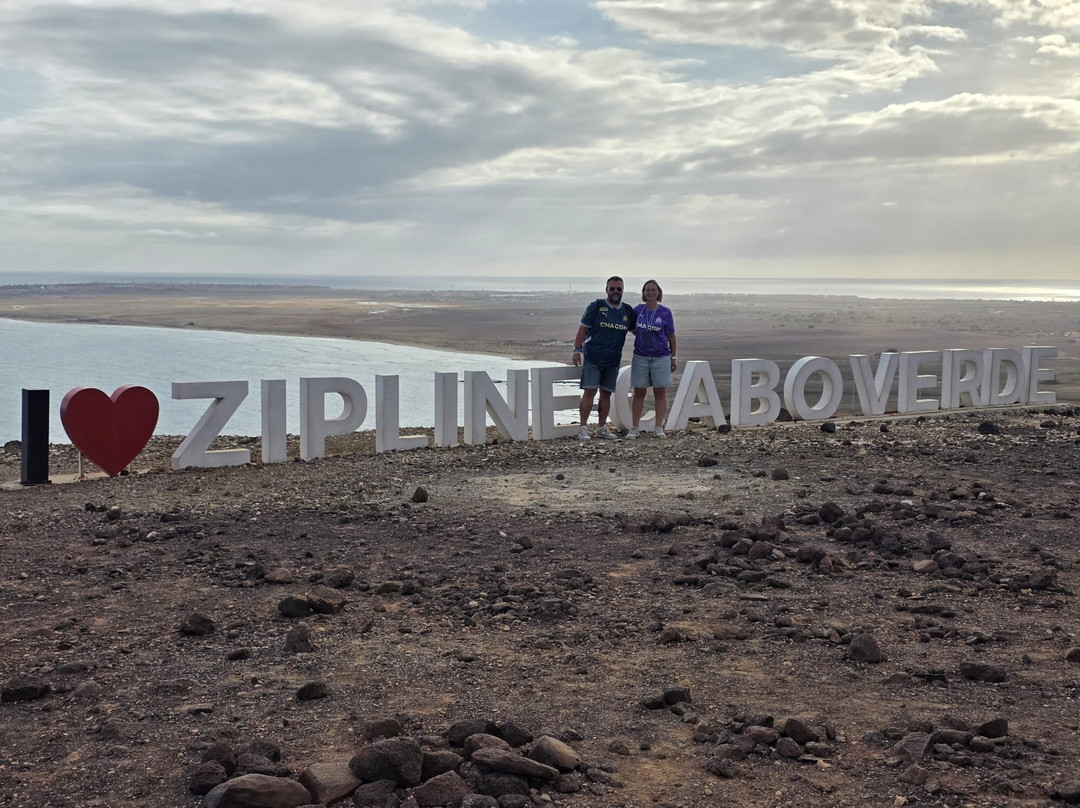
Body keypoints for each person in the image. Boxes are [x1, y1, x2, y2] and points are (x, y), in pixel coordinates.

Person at [571, 276, 636, 440]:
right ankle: (583, 428)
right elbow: (582, 329)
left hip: (613, 360)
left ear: (623, 290)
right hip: (593, 357)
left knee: (606, 394)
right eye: (612, 288)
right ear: (607, 289)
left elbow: (637, 332)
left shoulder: (627, 311)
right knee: (590, 391)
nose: (615, 292)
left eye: (619, 289)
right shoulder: (597, 306)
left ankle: (601, 427)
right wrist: (576, 350)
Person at [627, 279, 677, 438]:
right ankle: (634, 427)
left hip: (661, 357)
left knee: (660, 391)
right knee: (639, 391)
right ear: (643, 293)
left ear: (658, 292)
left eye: (653, 290)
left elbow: (671, 335)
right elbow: (631, 326)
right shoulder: (638, 310)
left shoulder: (665, 312)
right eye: (647, 290)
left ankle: (658, 427)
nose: (650, 292)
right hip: (640, 356)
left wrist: (673, 357)